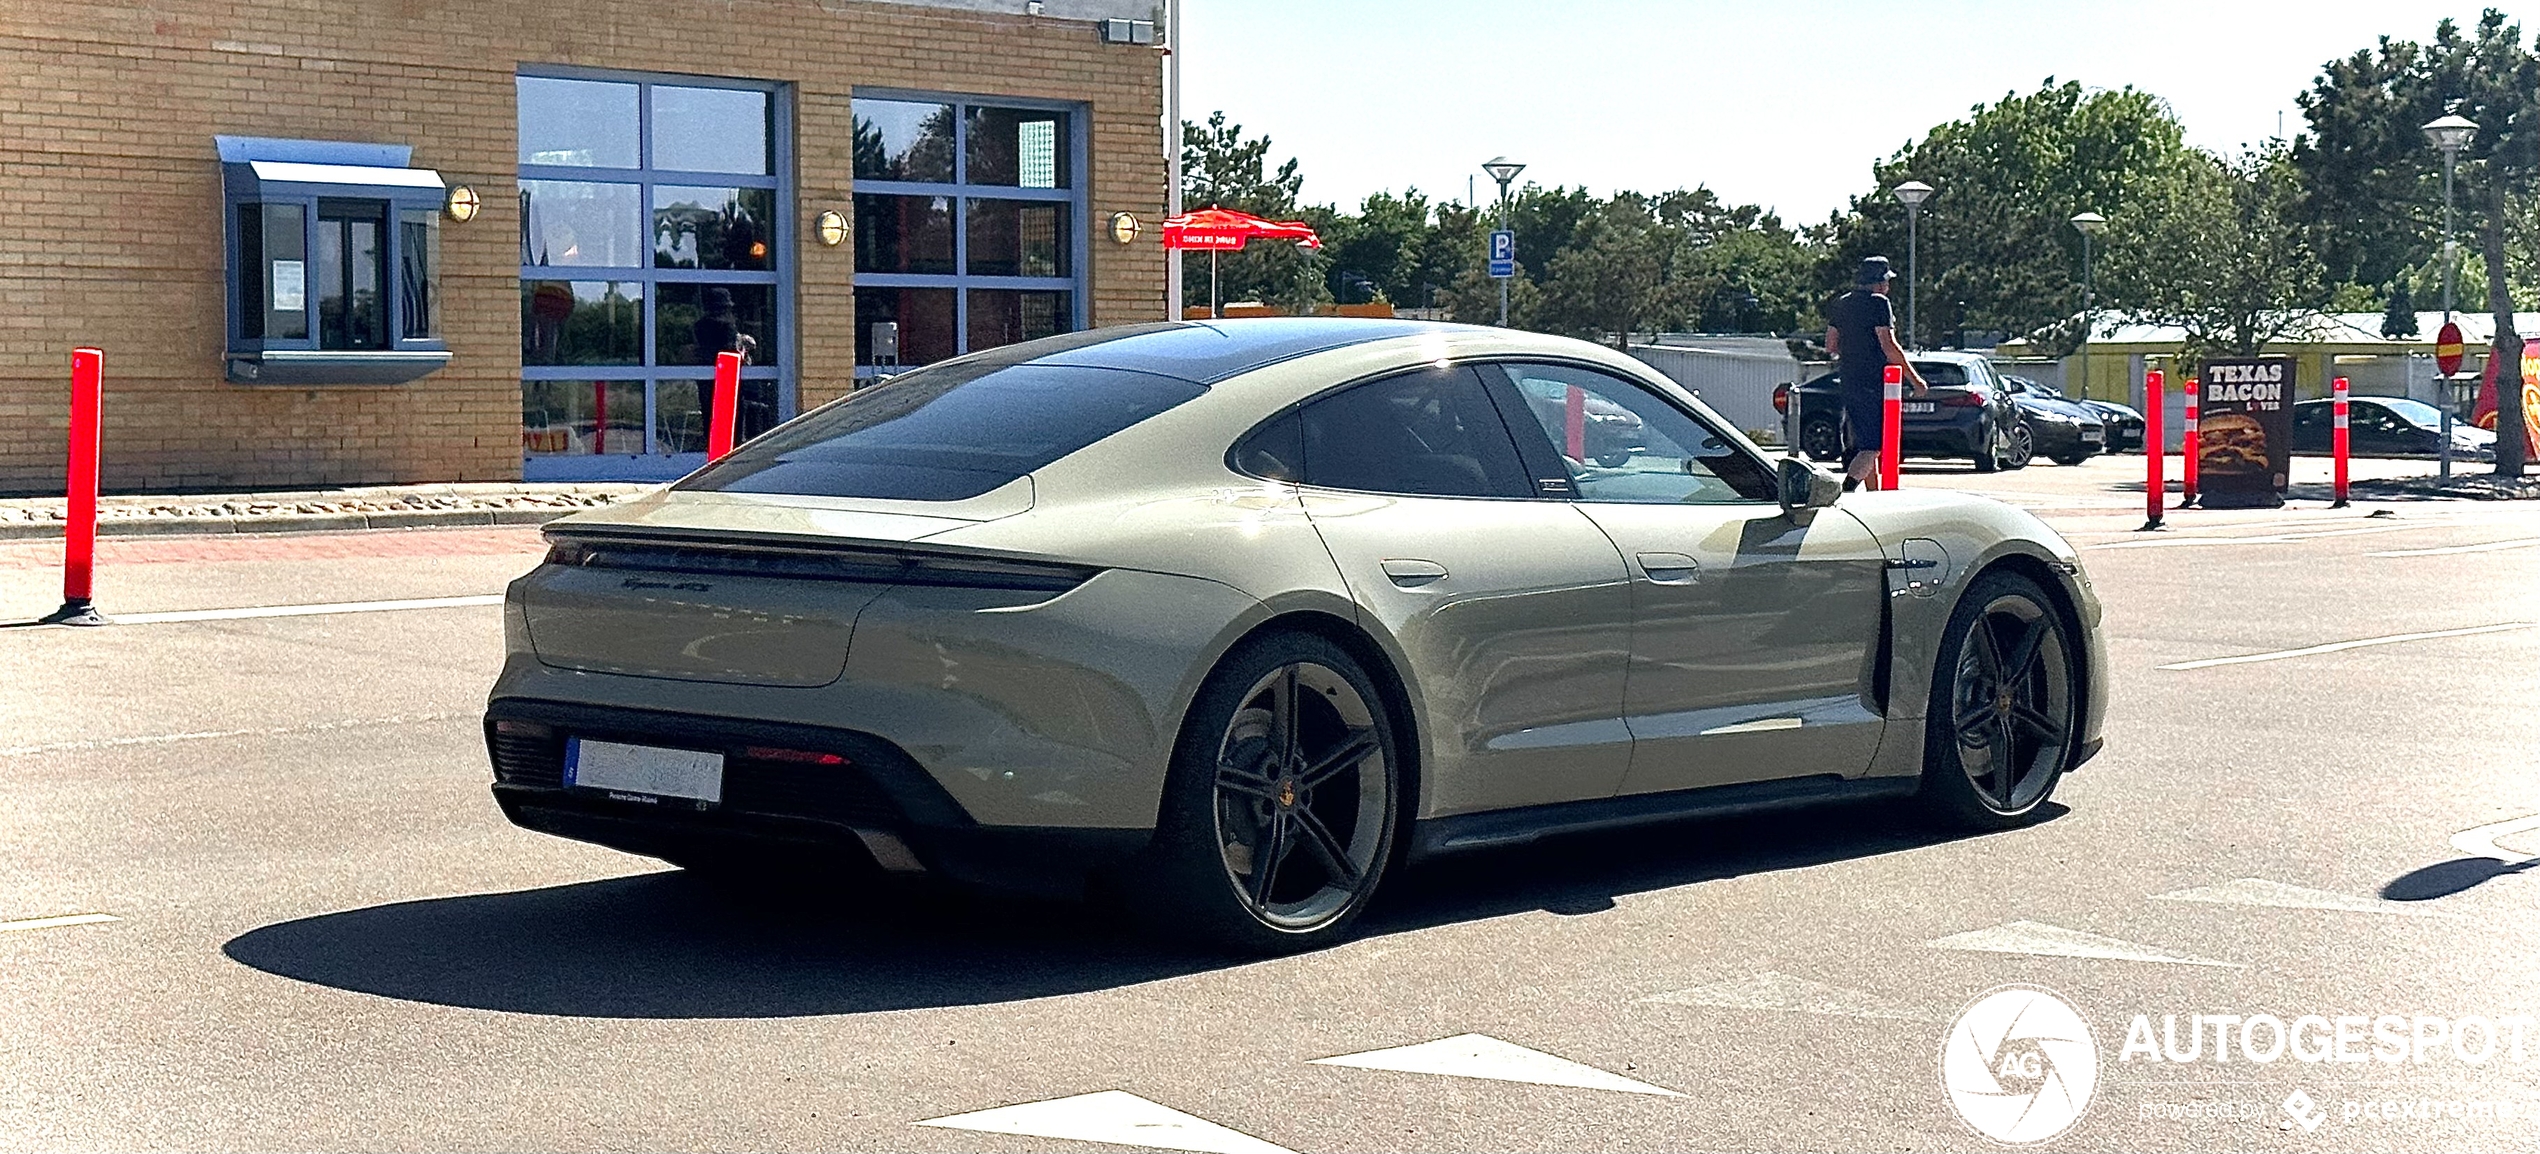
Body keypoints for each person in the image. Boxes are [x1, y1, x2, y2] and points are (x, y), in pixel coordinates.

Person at [1824, 257, 1928, 491]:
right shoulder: (1879, 303)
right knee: (1874, 445)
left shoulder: (1842, 303)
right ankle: (1846, 489)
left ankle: (1873, 493)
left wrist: (1852, 351)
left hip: (1849, 379)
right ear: (1879, 283)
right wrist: (1915, 380)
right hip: (1875, 381)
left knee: (1863, 441)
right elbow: (1888, 344)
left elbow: (1831, 344)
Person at [691, 288, 757, 447]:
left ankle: (711, 445)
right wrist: (743, 350)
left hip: (706, 380)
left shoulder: (699, 326)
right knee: (734, 419)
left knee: (709, 415)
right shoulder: (727, 327)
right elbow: (730, 353)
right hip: (727, 379)